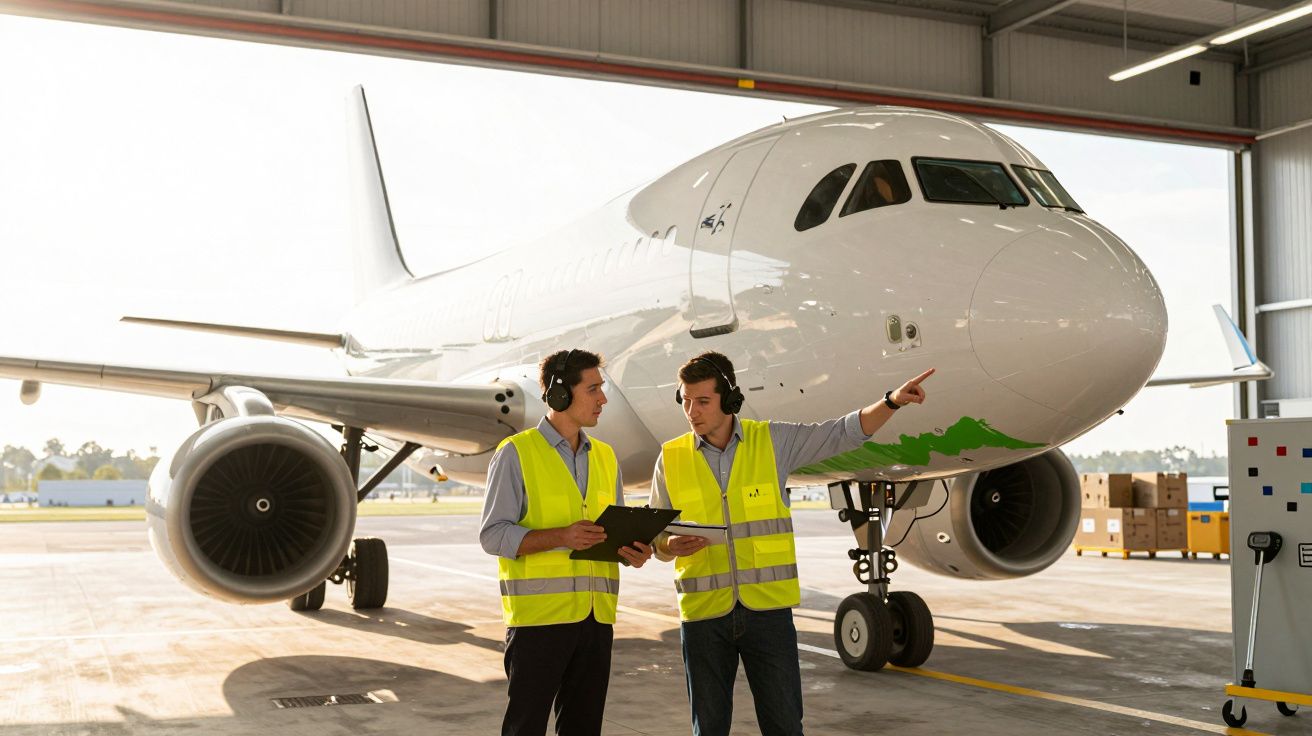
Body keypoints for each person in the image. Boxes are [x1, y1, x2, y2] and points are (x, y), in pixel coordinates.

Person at [650, 351, 934, 736]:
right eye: (685, 401)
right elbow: (656, 537)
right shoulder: (671, 458)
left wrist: (891, 402)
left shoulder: (772, 441)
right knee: (709, 728)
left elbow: (841, 433)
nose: (691, 411)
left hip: (767, 614)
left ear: (730, 399)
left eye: (702, 401)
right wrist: (670, 546)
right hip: (703, 617)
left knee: (784, 725)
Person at [480, 348, 654, 736]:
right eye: (593, 389)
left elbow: (612, 531)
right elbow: (493, 535)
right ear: (560, 394)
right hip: (539, 621)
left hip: (596, 619)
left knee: (584, 728)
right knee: (525, 727)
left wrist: (633, 550)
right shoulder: (516, 453)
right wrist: (561, 536)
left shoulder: (606, 457)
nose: (603, 399)